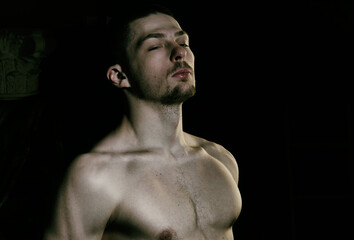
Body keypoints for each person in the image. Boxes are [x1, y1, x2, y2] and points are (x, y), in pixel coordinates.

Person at [44, 3, 241, 240]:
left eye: (183, 42)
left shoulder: (219, 159)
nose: (179, 52)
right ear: (120, 76)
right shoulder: (97, 177)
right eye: (156, 45)